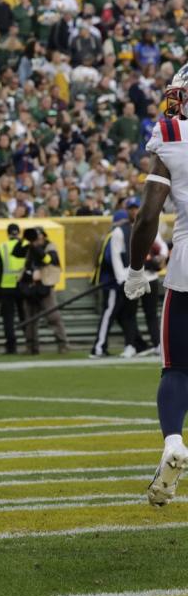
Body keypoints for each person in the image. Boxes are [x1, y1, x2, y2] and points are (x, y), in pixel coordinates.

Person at [124, 63, 188, 506]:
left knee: (177, 368)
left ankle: (172, 443)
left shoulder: (171, 135)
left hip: (186, 266)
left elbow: (149, 216)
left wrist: (134, 269)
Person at [91, 208, 150, 358]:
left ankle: (99, 347)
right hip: (115, 282)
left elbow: (109, 259)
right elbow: (112, 259)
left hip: (113, 282)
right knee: (118, 315)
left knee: (114, 314)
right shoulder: (120, 234)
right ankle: (138, 344)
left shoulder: (114, 234)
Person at [127, 196, 168, 355]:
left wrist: (159, 259)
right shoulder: (124, 230)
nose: (134, 211)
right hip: (133, 276)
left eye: (136, 208)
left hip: (149, 277)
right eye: (131, 209)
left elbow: (163, 248)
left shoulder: (149, 228)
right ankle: (131, 345)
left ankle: (157, 344)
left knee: (151, 314)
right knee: (130, 313)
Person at [0, 223, 26, 354]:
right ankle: (31, 343)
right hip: (23, 287)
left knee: (8, 319)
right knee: (25, 316)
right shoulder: (25, 246)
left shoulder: (3, 247)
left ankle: (11, 347)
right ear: (18, 232)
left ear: (7, 233)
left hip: (6, 287)